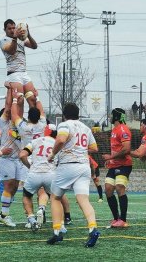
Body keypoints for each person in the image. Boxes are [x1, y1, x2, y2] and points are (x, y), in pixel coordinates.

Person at [46, 102, 100, 247]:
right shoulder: (86, 128)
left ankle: (57, 232)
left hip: (67, 166)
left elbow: (61, 139)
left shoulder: (64, 125)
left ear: (64, 115)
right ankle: (92, 228)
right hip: (84, 167)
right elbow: (94, 148)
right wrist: (79, 148)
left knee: (55, 197)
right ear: (78, 114)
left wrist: (52, 154)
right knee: (83, 200)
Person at [19, 124, 59, 231]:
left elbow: (22, 155)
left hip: (34, 173)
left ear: (47, 131)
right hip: (50, 174)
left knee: (27, 196)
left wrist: (29, 166)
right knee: (54, 199)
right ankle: (59, 225)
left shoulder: (36, 141)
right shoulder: (57, 144)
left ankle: (31, 219)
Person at [0, 89, 26, 227]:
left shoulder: (18, 124)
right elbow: (8, 109)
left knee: (14, 187)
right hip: (6, 159)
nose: (8, 113)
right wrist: (10, 93)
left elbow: (19, 110)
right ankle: (4, 214)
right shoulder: (3, 123)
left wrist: (21, 99)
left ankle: (3, 214)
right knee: (9, 186)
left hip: (17, 160)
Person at [0, 19, 38, 118]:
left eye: (13, 28)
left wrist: (28, 34)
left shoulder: (21, 39)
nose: (12, 30)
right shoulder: (3, 41)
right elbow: (11, 51)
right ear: (5, 30)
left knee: (33, 98)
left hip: (24, 74)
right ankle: (18, 125)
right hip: (14, 74)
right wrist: (15, 38)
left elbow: (34, 46)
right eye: (9, 29)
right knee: (19, 100)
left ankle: (33, 124)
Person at [102, 108, 132, 228]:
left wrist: (110, 156)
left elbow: (126, 149)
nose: (109, 117)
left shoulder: (123, 129)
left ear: (116, 117)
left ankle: (123, 219)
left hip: (124, 165)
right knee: (108, 189)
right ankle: (116, 219)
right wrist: (111, 160)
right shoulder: (114, 130)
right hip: (114, 165)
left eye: (111, 115)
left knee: (119, 188)